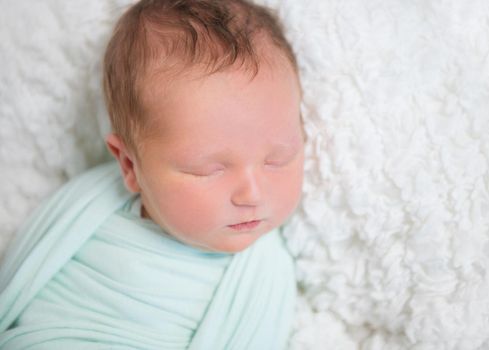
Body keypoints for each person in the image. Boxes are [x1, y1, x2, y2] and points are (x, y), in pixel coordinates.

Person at [0, 0, 304, 349]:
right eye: (209, 169)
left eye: (278, 159)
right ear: (129, 165)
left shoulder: (261, 277)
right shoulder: (84, 211)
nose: (252, 194)